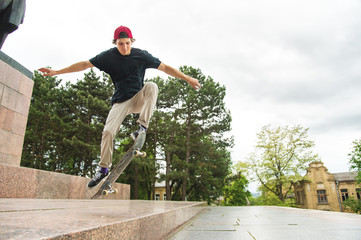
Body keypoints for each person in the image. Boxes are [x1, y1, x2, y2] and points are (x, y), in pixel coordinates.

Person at [39, 26, 201, 187]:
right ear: (115, 43)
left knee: (152, 86)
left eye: (127, 43)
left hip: (138, 99)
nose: (125, 48)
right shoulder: (108, 57)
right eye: (120, 44)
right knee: (108, 132)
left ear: (132, 41)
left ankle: (142, 128)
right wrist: (57, 72)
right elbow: (84, 65)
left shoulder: (141, 55)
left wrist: (187, 78)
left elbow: (165, 68)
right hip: (120, 102)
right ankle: (103, 169)